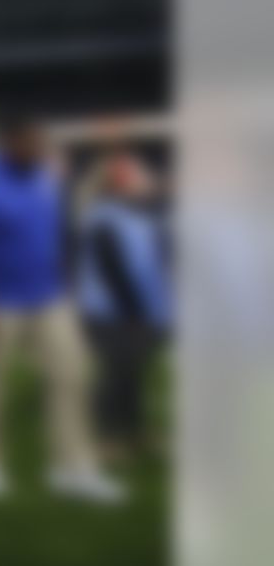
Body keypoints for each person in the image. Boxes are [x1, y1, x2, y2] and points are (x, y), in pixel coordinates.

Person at [0, 117, 125, 503]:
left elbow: (70, 210)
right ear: (9, 140)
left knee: (72, 375)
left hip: (50, 297)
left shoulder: (44, 175)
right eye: (32, 143)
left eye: (42, 143)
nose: (39, 150)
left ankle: (72, 468)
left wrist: (105, 160)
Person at [76, 147, 171, 460]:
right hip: (113, 313)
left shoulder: (139, 212)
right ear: (119, 183)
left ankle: (135, 433)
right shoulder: (102, 216)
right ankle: (108, 439)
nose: (144, 176)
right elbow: (114, 270)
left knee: (133, 376)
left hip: (139, 310)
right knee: (116, 377)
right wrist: (135, 313)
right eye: (137, 172)